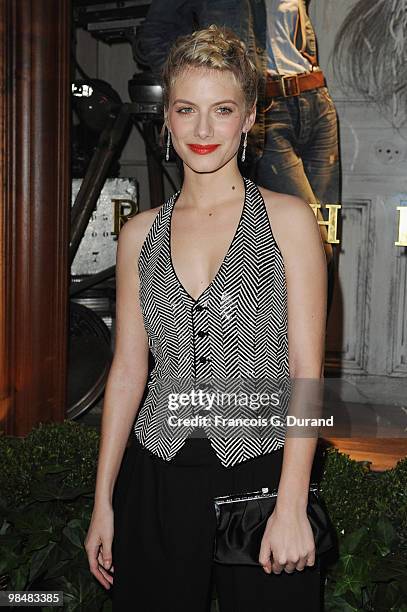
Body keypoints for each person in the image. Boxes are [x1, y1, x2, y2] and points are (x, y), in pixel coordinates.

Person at [85, 24, 327, 612]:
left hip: (262, 477)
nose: (201, 129)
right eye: (186, 109)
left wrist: (292, 505)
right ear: (167, 117)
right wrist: (103, 501)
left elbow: (307, 376)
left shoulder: (289, 220)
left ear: (248, 120)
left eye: (222, 110)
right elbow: (126, 373)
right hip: (158, 478)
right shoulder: (139, 234)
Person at [134, 0, 339, 316]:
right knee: (312, 238)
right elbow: (153, 36)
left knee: (328, 239)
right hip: (263, 110)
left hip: (313, 99)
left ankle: (302, 350)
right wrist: (197, 87)